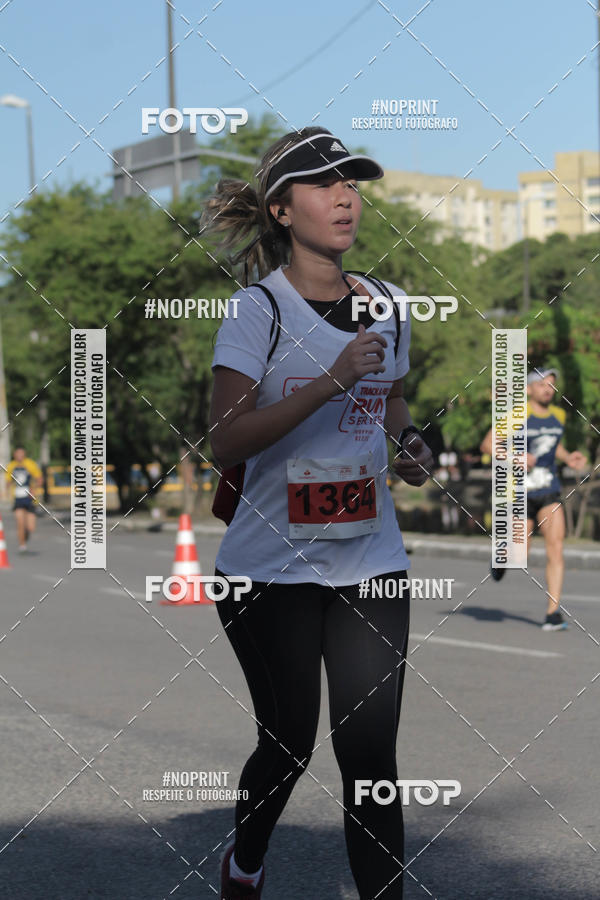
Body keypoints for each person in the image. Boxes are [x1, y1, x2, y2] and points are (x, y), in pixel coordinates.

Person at [204, 128, 434, 899]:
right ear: (281, 207)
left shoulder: (390, 304)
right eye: (323, 182)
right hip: (268, 570)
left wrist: (407, 444)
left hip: (371, 560)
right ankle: (245, 861)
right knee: (289, 743)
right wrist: (331, 381)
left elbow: (394, 397)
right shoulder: (255, 312)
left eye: (353, 182)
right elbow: (225, 437)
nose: (345, 196)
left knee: (371, 755)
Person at [480, 369, 587, 631]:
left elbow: (552, 444)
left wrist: (567, 457)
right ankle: (502, 558)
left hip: (548, 490)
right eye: (541, 385)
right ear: (528, 389)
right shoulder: (518, 415)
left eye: (551, 385)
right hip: (519, 492)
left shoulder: (559, 415)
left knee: (556, 547)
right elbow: (487, 445)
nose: (548, 389)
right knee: (519, 554)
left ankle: (553, 613)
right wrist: (515, 458)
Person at [4, 446, 42, 552]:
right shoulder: (11, 466)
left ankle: (25, 536)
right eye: (17, 453)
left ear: (24, 454)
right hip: (18, 499)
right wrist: (7, 488)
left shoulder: (30, 464)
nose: (20, 456)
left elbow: (39, 479)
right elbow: (8, 480)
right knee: (20, 522)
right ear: (14, 454)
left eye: (22, 453)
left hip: (30, 498)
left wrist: (34, 489)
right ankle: (22, 545)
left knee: (30, 527)